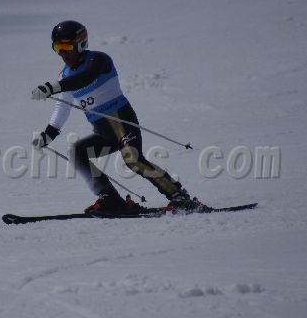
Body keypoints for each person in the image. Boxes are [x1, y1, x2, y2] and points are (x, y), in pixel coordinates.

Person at [30, 20, 204, 213]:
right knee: (78, 152)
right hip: (104, 132)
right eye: (58, 48)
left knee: (133, 159)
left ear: (80, 44)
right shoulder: (65, 76)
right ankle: (110, 198)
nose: (63, 53)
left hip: (123, 122)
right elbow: (62, 107)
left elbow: (86, 77)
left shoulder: (98, 60)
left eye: (67, 47)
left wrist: (53, 87)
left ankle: (179, 197)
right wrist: (49, 134)